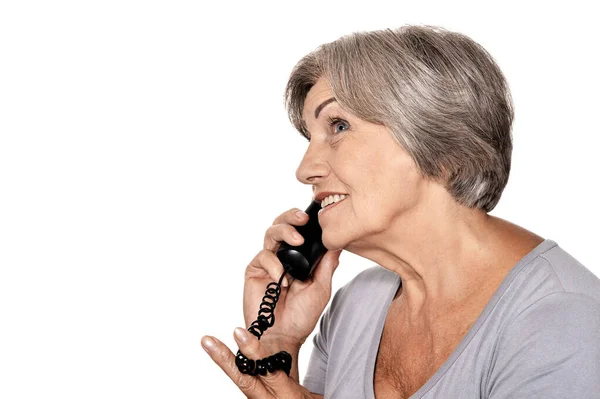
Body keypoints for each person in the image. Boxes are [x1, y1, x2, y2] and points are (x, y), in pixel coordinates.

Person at [201, 25, 600, 398]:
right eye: (311, 137)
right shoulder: (354, 306)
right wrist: (281, 345)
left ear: (439, 142)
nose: (305, 170)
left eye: (338, 126)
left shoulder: (561, 320)